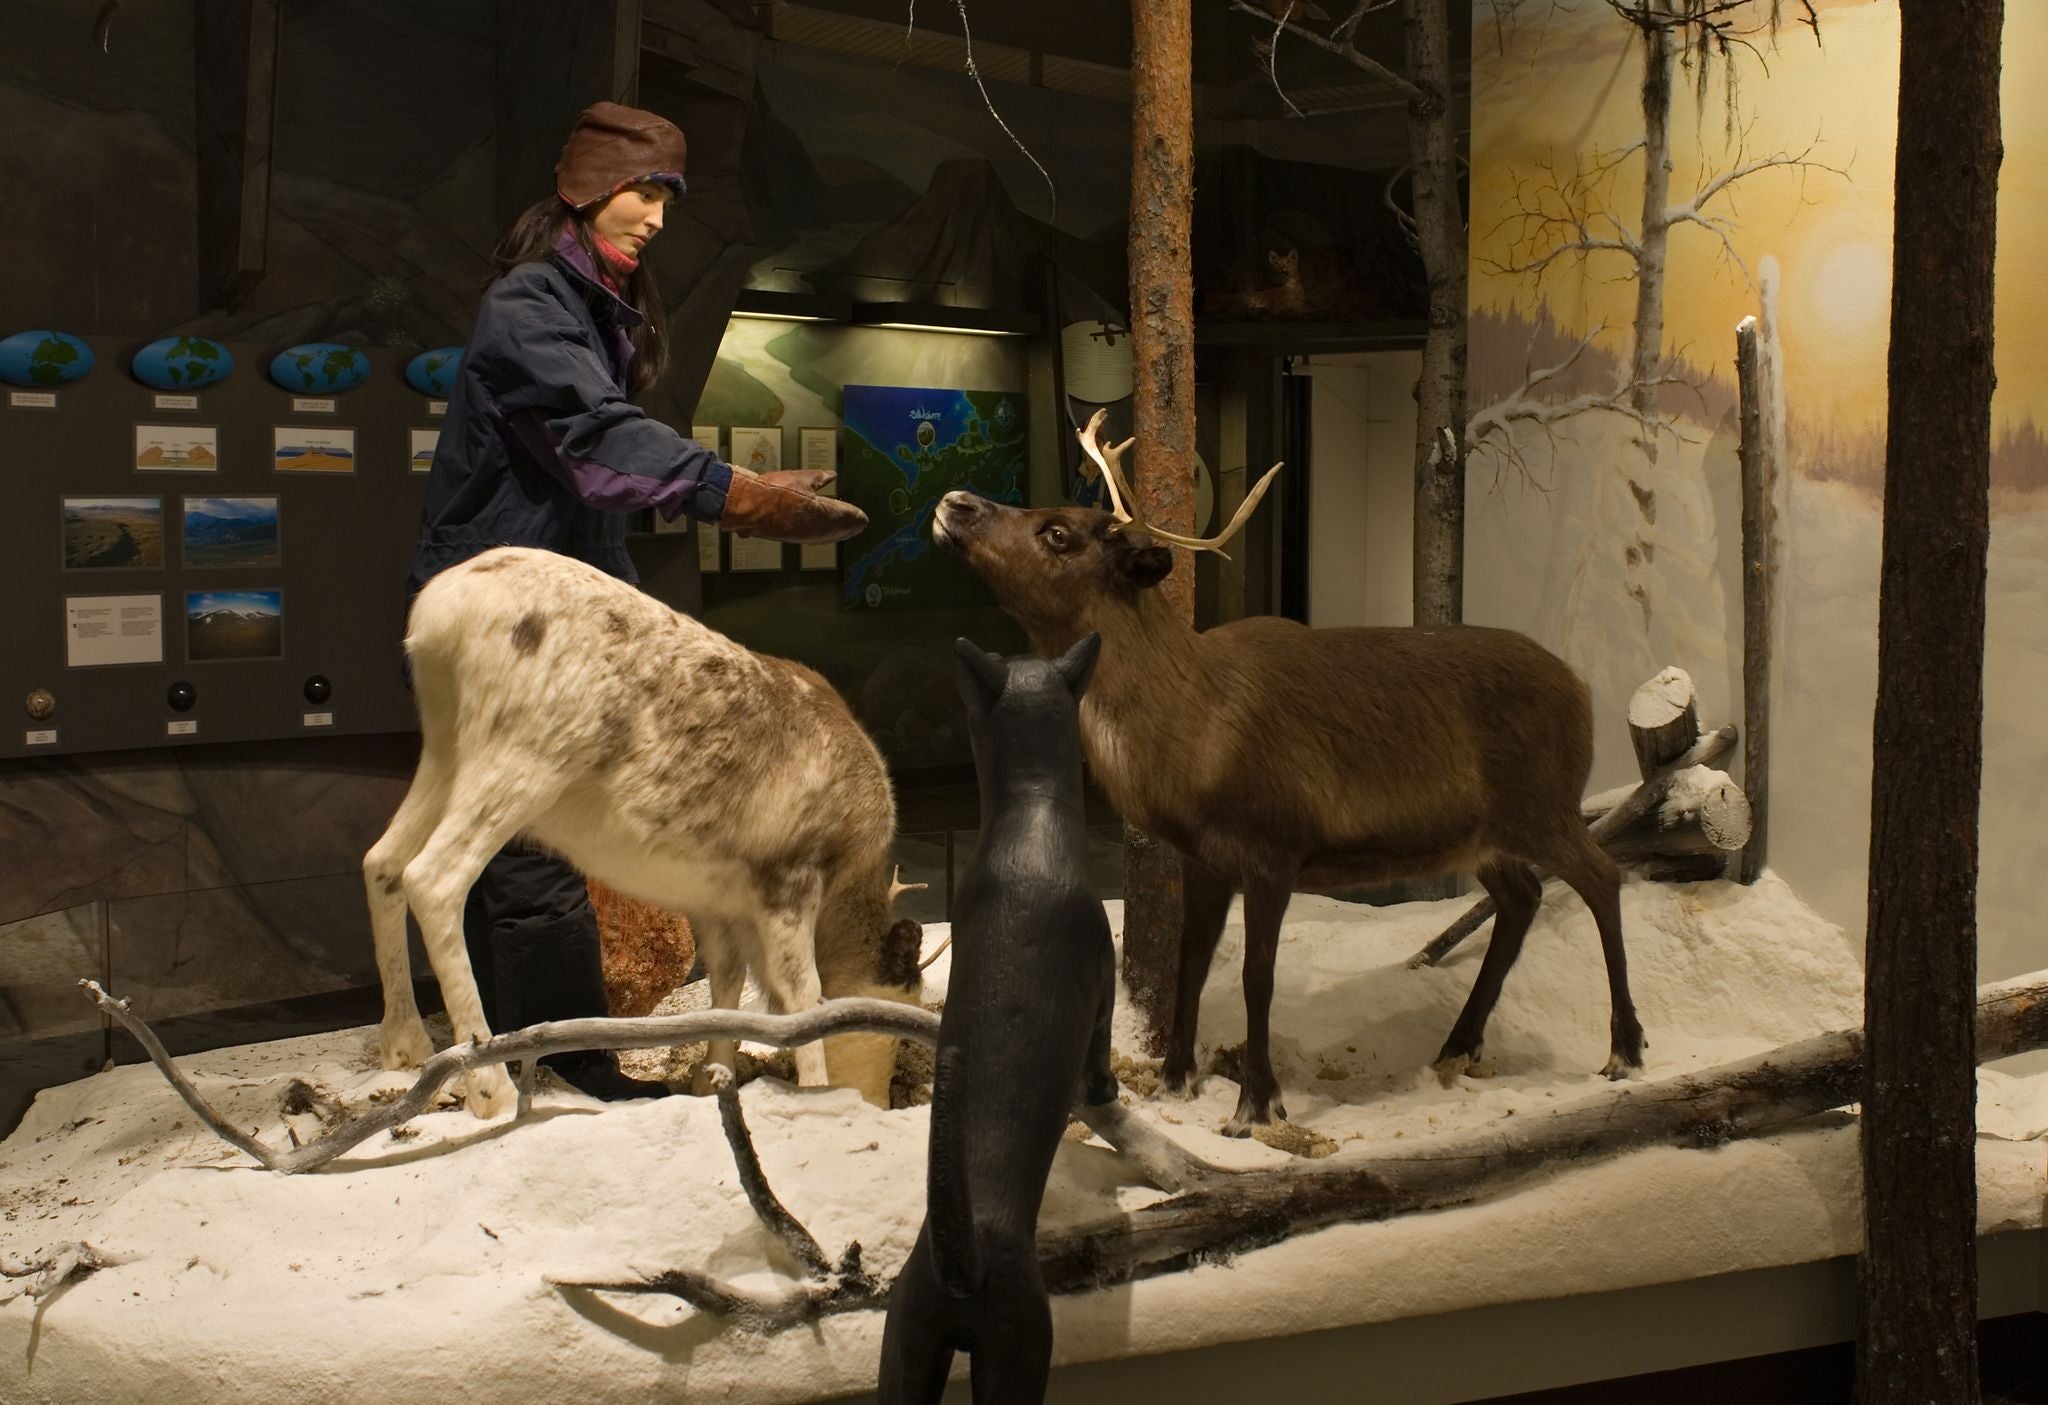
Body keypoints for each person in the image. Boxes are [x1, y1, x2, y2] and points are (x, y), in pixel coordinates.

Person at [405, 101, 866, 1100]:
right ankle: (570, 1065)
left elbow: (594, 475)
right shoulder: (532, 304)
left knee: (510, 831)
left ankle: (514, 1049)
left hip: (554, 597)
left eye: (666, 198)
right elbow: (598, 437)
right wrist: (732, 493)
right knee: (531, 838)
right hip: (513, 609)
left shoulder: (594, 307)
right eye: (643, 192)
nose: (656, 217)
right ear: (584, 189)